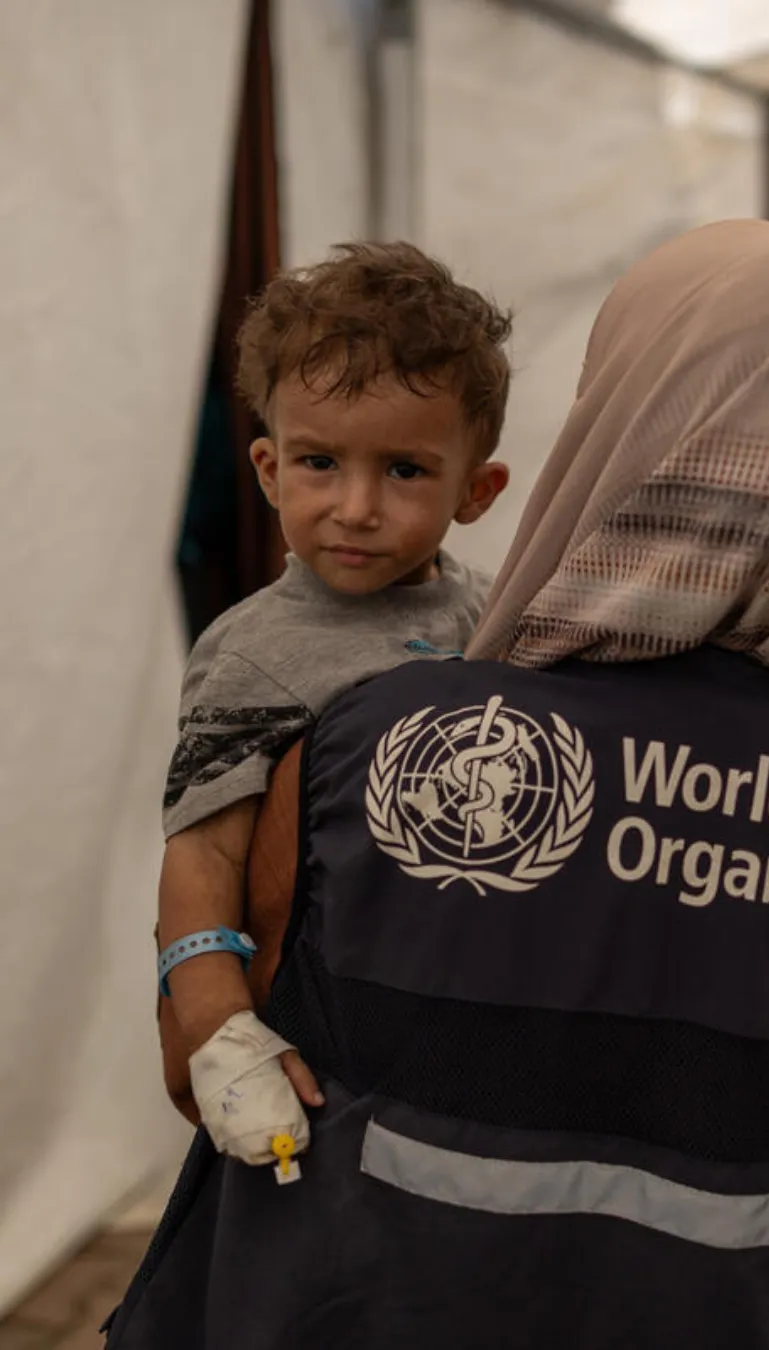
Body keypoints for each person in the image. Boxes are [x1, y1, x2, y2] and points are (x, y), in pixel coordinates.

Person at [112, 221, 769, 1350]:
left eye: (403, 468)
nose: (357, 506)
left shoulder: (382, 742)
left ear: (615, 433)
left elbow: (215, 1060)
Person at [156, 240, 511, 1167]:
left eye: (404, 471)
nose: (355, 507)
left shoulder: (499, 618)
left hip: (473, 1034)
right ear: (269, 470)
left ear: (476, 490)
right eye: (320, 463)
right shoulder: (251, 654)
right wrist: (220, 1034)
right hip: (324, 1057)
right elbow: (203, 853)